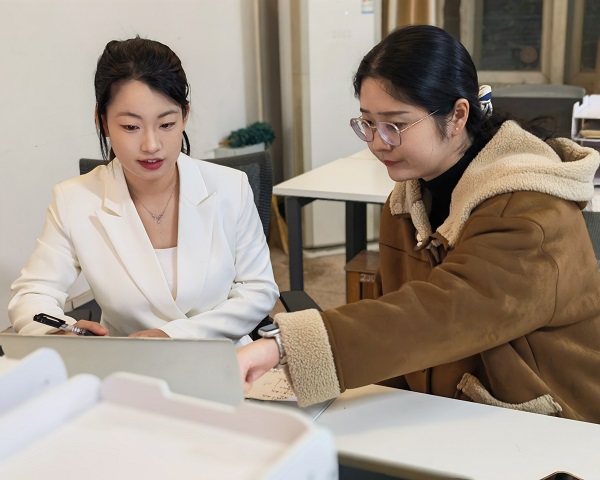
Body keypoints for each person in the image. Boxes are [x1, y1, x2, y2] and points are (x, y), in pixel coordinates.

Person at [238, 25, 600, 423]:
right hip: (446, 402)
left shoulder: (530, 210)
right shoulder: (408, 200)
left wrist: (289, 345)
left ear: (457, 115)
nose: (378, 142)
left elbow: (442, 313)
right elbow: (398, 310)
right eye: (368, 123)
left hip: (544, 415)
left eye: (395, 124)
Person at [9, 37, 279, 343]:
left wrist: (170, 335)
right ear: (102, 121)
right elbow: (32, 294)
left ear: (184, 115)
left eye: (166, 124)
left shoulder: (231, 187)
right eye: (131, 127)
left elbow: (258, 289)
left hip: (225, 357)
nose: (151, 145)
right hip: (128, 362)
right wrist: (62, 331)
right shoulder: (73, 200)